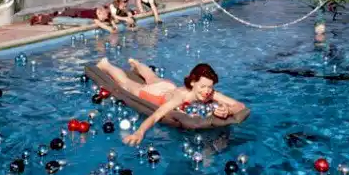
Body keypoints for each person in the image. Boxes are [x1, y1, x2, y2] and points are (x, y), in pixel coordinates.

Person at [94, 57, 244, 145]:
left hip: (169, 87)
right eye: (203, 86)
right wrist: (139, 132)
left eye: (210, 87)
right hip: (155, 94)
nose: (207, 91)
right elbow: (156, 116)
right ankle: (106, 64)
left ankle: (137, 64)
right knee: (126, 84)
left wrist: (229, 110)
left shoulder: (209, 93)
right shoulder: (181, 97)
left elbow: (240, 105)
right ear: (193, 82)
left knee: (152, 78)